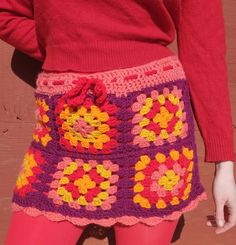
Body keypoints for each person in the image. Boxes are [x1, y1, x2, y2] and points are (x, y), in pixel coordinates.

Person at [0, 0, 236, 244]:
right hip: (66, 123)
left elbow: (203, 46)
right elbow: (6, 13)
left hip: (150, 126)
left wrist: (224, 163)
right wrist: (64, 47)